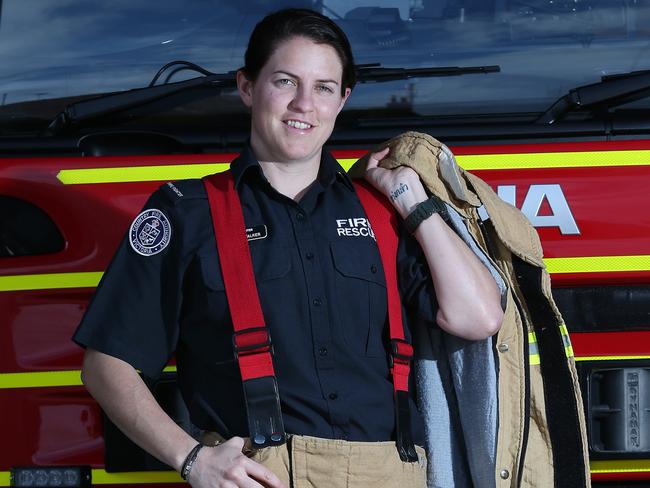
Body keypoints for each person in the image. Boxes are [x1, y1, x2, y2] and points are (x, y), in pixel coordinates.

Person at [73, 8, 503, 488]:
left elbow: (478, 318)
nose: (304, 104)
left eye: (323, 87)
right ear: (247, 87)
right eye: (285, 81)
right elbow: (107, 364)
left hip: (388, 472)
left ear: (342, 100)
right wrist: (192, 459)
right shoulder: (188, 212)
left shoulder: (384, 212)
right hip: (258, 474)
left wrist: (412, 199)